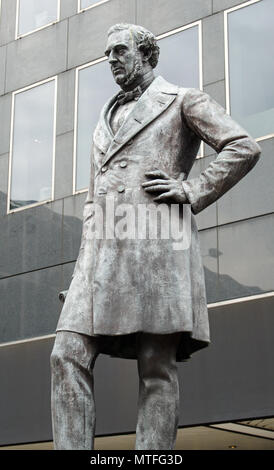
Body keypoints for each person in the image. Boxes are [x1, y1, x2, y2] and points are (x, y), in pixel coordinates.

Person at [50, 23, 261, 450]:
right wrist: (79, 273)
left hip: (160, 253)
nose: (111, 60)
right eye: (107, 53)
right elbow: (94, 205)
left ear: (146, 54)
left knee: (156, 367)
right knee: (65, 354)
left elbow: (242, 146)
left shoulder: (183, 100)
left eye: (120, 51)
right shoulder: (104, 119)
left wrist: (192, 188)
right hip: (100, 260)